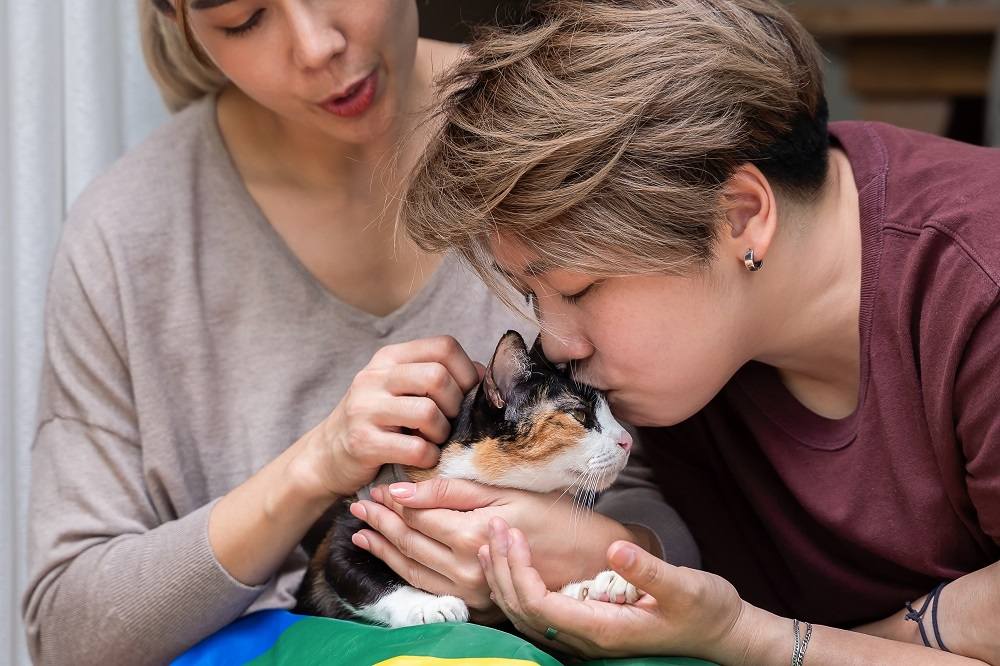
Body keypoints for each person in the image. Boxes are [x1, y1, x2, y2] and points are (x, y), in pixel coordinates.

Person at [20, 2, 699, 664]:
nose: (315, 45)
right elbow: (69, 635)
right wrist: (311, 469)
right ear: (180, 22)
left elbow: (693, 532)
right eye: (244, 18)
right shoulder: (125, 236)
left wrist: (585, 550)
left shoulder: (564, 143)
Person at [362, 0, 1000, 663]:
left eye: (579, 290)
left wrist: (747, 638)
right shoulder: (673, 358)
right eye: (531, 295)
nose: (557, 345)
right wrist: (623, 549)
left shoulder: (979, 285)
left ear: (742, 217)